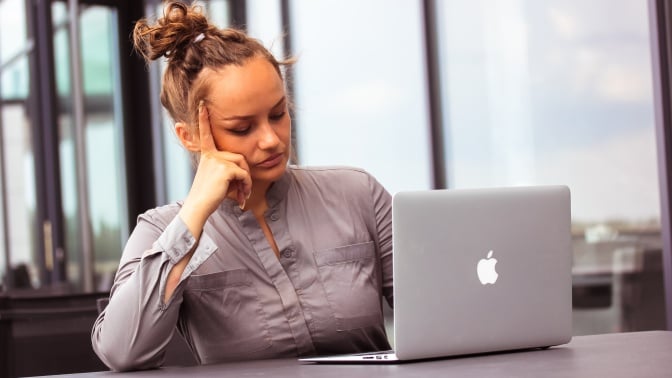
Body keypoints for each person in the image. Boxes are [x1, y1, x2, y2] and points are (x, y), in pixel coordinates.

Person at [91, 1, 393, 372]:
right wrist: (194, 216)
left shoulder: (357, 194)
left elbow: (441, 314)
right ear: (189, 137)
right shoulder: (159, 231)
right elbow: (122, 352)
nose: (271, 139)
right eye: (242, 128)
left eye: (278, 114)